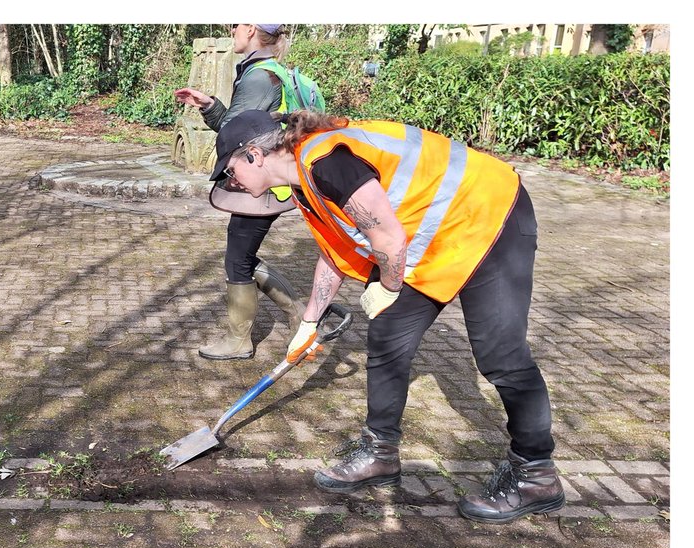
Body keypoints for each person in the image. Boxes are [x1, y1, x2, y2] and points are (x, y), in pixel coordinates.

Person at [209, 108, 564, 523]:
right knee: (387, 339)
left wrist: (389, 287)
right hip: (431, 238)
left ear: (254, 155)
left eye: (230, 171)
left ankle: (536, 475)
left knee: (500, 354)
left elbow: (389, 240)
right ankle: (380, 453)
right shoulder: (305, 184)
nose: (231, 182)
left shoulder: (328, 163)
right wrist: (309, 322)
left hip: (490, 216)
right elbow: (335, 252)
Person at [176, 23, 322, 360]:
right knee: (241, 256)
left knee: (238, 259)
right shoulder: (273, 71)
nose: (232, 30)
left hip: (259, 182)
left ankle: (241, 340)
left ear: (251, 29)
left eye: (236, 24)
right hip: (274, 180)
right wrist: (209, 104)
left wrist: (212, 108)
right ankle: (299, 318)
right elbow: (244, 125)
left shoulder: (259, 76)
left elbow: (235, 133)